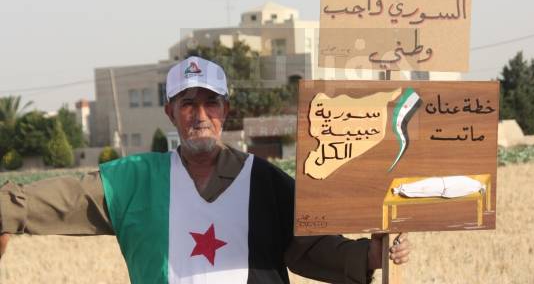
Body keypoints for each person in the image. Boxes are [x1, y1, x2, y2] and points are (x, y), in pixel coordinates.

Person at [0, 56, 409, 283]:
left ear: (225, 110)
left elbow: (310, 247)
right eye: (188, 104)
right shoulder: (135, 180)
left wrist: (370, 254)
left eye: (211, 102)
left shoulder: (264, 181)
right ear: (170, 112)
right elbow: (55, 201)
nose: (200, 115)